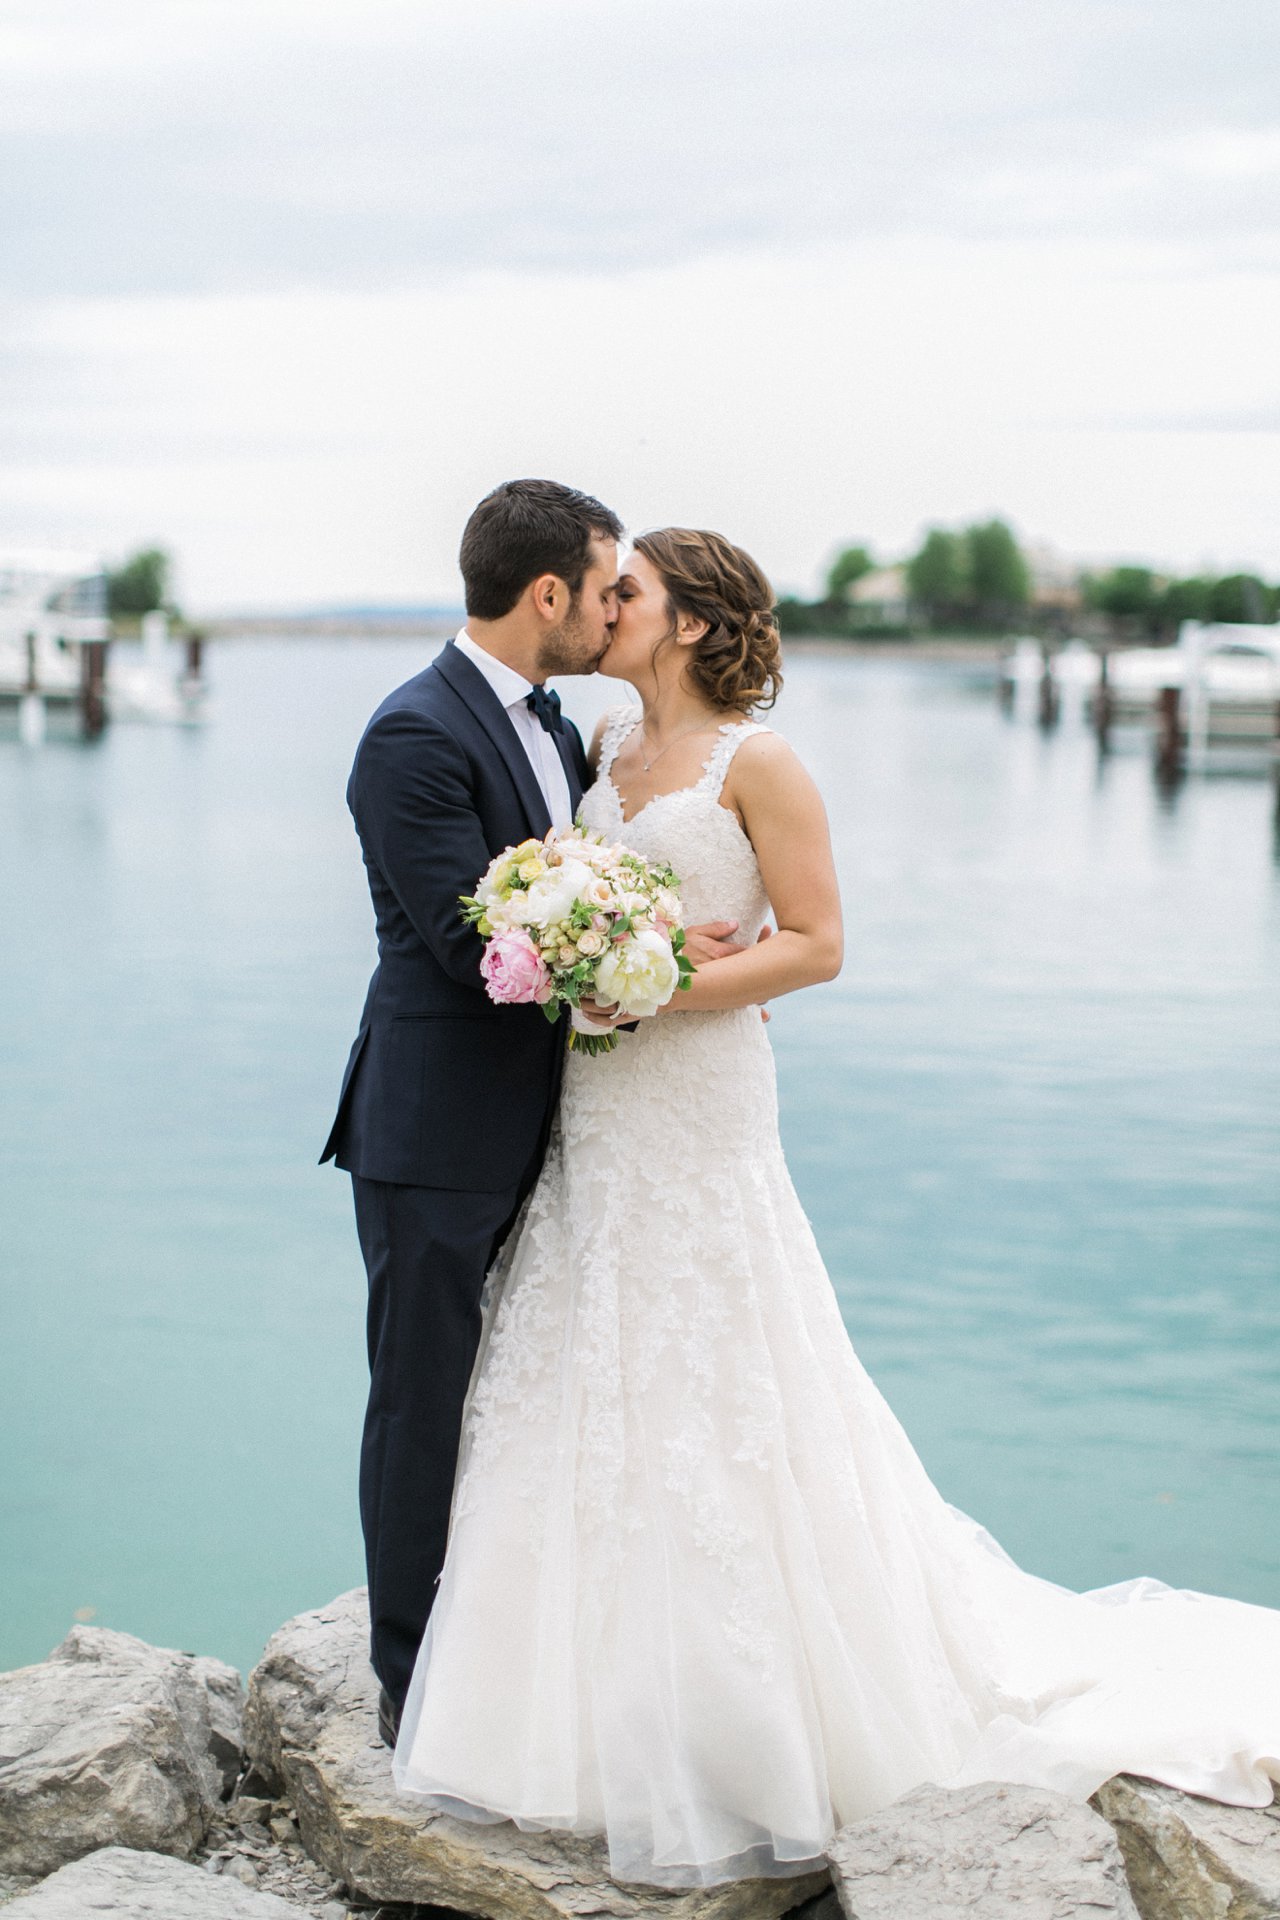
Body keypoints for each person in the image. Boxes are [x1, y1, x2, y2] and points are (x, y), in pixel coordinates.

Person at [390, 525, 1280, 1889]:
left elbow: (818, 942)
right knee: (583, 1360)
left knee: (727, 1366)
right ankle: (574, 1696)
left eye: (632, 592)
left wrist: (654, 984)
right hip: (595, 1113)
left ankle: (756, 1711)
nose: (608, 608)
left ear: (687, 623)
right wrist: (585, 958)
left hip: (698, 1101)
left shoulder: (764, 763)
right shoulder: (594, 756)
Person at [320, 483, 753, 1753]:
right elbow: (477, 942)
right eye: (607, 585)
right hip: (431, 1133)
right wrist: (664, 956)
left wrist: (702, 976)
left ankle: (519, 1646)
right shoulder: (412, 734)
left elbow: (588, 878)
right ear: (547, 594)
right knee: (421, 1400)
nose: (617, 606)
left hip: (559, 1125)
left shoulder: (559, 729)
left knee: (521, 1393)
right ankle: (410, 1685)